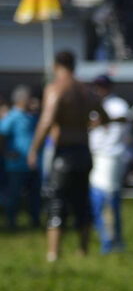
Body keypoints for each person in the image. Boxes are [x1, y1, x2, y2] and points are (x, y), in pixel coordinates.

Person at [27, 50, 110, 262]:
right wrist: (89, 125)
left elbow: (46, 121)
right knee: (82, 202)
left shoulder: (56, 88)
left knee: (56, 201)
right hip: (84, 151)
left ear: (56, 66)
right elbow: (105, 116)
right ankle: (83, 251)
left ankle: (53, 253)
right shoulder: (86, 91)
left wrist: (34, 149)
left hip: (64, 153)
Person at [88, 75, 132, 253]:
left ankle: (111, 242)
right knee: (97, 199)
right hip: (96, 155)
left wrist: (103, 121)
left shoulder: (117, 104)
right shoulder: (94, 105)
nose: (100, 89)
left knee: (106, 199)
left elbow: (123, 120)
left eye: (103, 86)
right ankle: (109, 239)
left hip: (110, 156)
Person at [1, 84, 41, 229]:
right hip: (17, 164)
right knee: (14, 195)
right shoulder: (12, 116)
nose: (31, 100)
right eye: (29, 98)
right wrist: (6, 152)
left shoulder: (30, 116)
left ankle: (35, 222)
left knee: (34, 196)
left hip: (33, 164)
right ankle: (11, 222)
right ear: (22, 99)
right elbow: (1, 134)